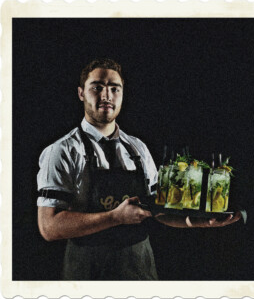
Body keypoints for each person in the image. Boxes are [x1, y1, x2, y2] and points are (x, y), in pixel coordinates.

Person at [37, 58, 241, 280]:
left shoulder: (138, 148)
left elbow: (157, 209)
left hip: (139, 271)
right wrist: (116, 217)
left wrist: (196, 221)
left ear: (122, 94)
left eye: (114, 89)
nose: (106, 96)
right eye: (97, 87)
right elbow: (49, 226)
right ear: (81, 93)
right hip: (87, 275)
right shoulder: (61, 151)